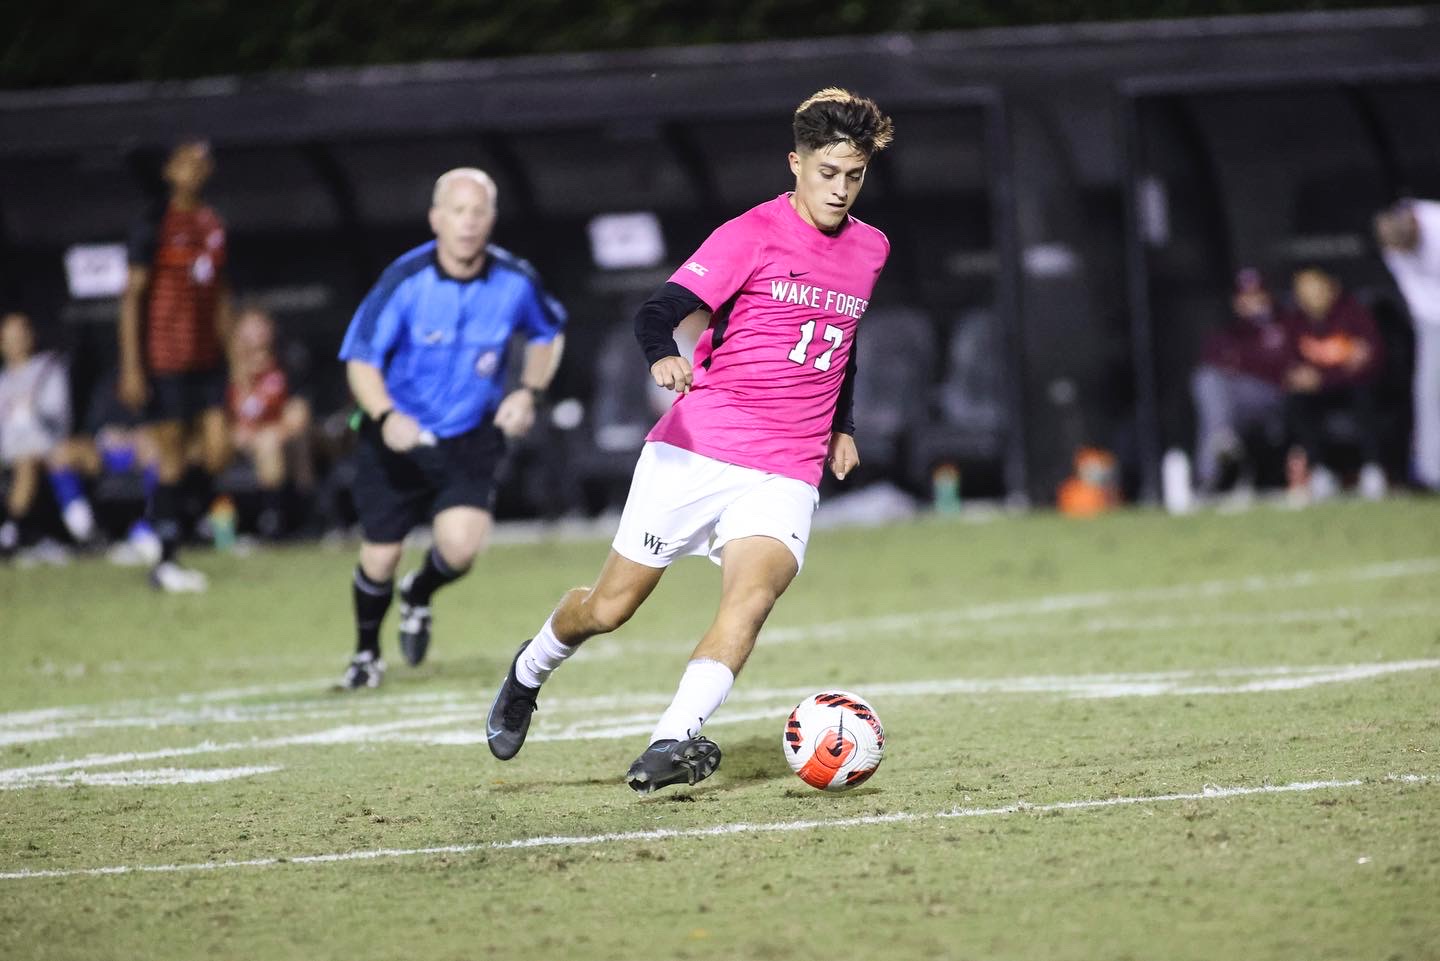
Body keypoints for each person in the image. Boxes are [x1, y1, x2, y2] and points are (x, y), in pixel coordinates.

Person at [485, 87, 894, 794]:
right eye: (827, 172)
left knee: (752, 599)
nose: (840, 189)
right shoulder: (749, 234)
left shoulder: (870, 248)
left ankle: (672, 736)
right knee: (610, 607)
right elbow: (659, 310)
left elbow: (842, 339)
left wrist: (841, 425)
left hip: (787, 465)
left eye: (853, 176)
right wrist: (662, 356)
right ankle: (530, 669)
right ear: (794, 163)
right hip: (699, 446)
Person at [336, 167, 566, 689]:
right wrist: (386, 415)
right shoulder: (404, 279)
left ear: (491, 219)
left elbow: (548, 334)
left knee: (460, 550)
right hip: (396, 436)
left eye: (478, 211)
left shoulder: (515, 279)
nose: (468, 223)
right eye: (457, 211)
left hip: (469, 436)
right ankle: (366, 654)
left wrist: (527, 392)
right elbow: (361, 360)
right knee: (380, 554)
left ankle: (418, 593)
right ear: (436, 219)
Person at [118, 139, 234, 591]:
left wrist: (235, 360)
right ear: (169, 169)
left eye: (203, 162)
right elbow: (132, 298)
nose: (197, 169)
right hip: (164, 357)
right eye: (187, 162)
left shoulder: (211, 222)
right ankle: (164, 560)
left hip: (207, 359)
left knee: (218, 448)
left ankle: (160, 526)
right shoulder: (153, 222)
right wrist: (132, 366)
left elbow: (222, 293)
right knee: (170, 456)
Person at [1278, 266, 1386, 502]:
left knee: (1363, 396)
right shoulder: (1294, 321)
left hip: (1353, 386)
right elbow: (1290, 366)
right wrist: (1308, 377)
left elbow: (1369, 362)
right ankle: (1320, 472)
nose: (1310, 295)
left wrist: (1324, 377)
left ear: (1332, 288)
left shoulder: (1354, 314)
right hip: (1319, 392)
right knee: (1296, 402)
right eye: (1303, 290)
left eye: (1316, 287)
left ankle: (1373, 469)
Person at [0, 311, 95, 558]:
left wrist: (32, 411)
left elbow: (59, 418)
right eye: (10, 337)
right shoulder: (2, 382)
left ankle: (85, 534)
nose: (16, 342)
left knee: (40, 459)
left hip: (45, 447)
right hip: (9, 450)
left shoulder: (48, 369)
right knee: (24, 458)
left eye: (21, 335)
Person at [1189, 268, 1291, 494]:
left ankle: (1208, 480)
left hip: (1271, 396)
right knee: (1207, 382)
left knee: (1216, 408)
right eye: (1245, 297)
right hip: (1235, 400)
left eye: (1257, 295)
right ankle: (1222, 443)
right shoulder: (1229, 331)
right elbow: (1210, 360)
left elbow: (1280, 366)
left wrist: (1242, 364)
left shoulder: (1284, 324)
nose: (1252, 302)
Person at [225, 305, 312, 539]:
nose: (256, 334)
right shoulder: (226, 370)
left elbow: (298, 415)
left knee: (270, 442)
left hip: (275, 440)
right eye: (249, 327)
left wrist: (266, 433)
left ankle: (273, 521)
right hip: (231, 442)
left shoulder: (287, 364)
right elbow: (216, 419)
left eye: (261, 326)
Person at [1375, 198, 1440, 491]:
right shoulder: (1392, 240)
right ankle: (1432, 472)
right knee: (1428, 391)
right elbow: (1414, 290)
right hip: (1432, 319)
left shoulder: (1436, 225)